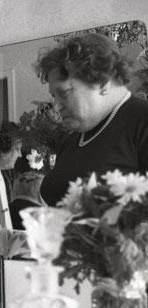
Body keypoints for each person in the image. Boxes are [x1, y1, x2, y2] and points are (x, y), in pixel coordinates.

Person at [35, 33, 148, 206]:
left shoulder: (142, 123)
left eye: (63, 94)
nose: (56, 107)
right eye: (53, 97)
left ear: (102, 83)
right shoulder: (73, 139)